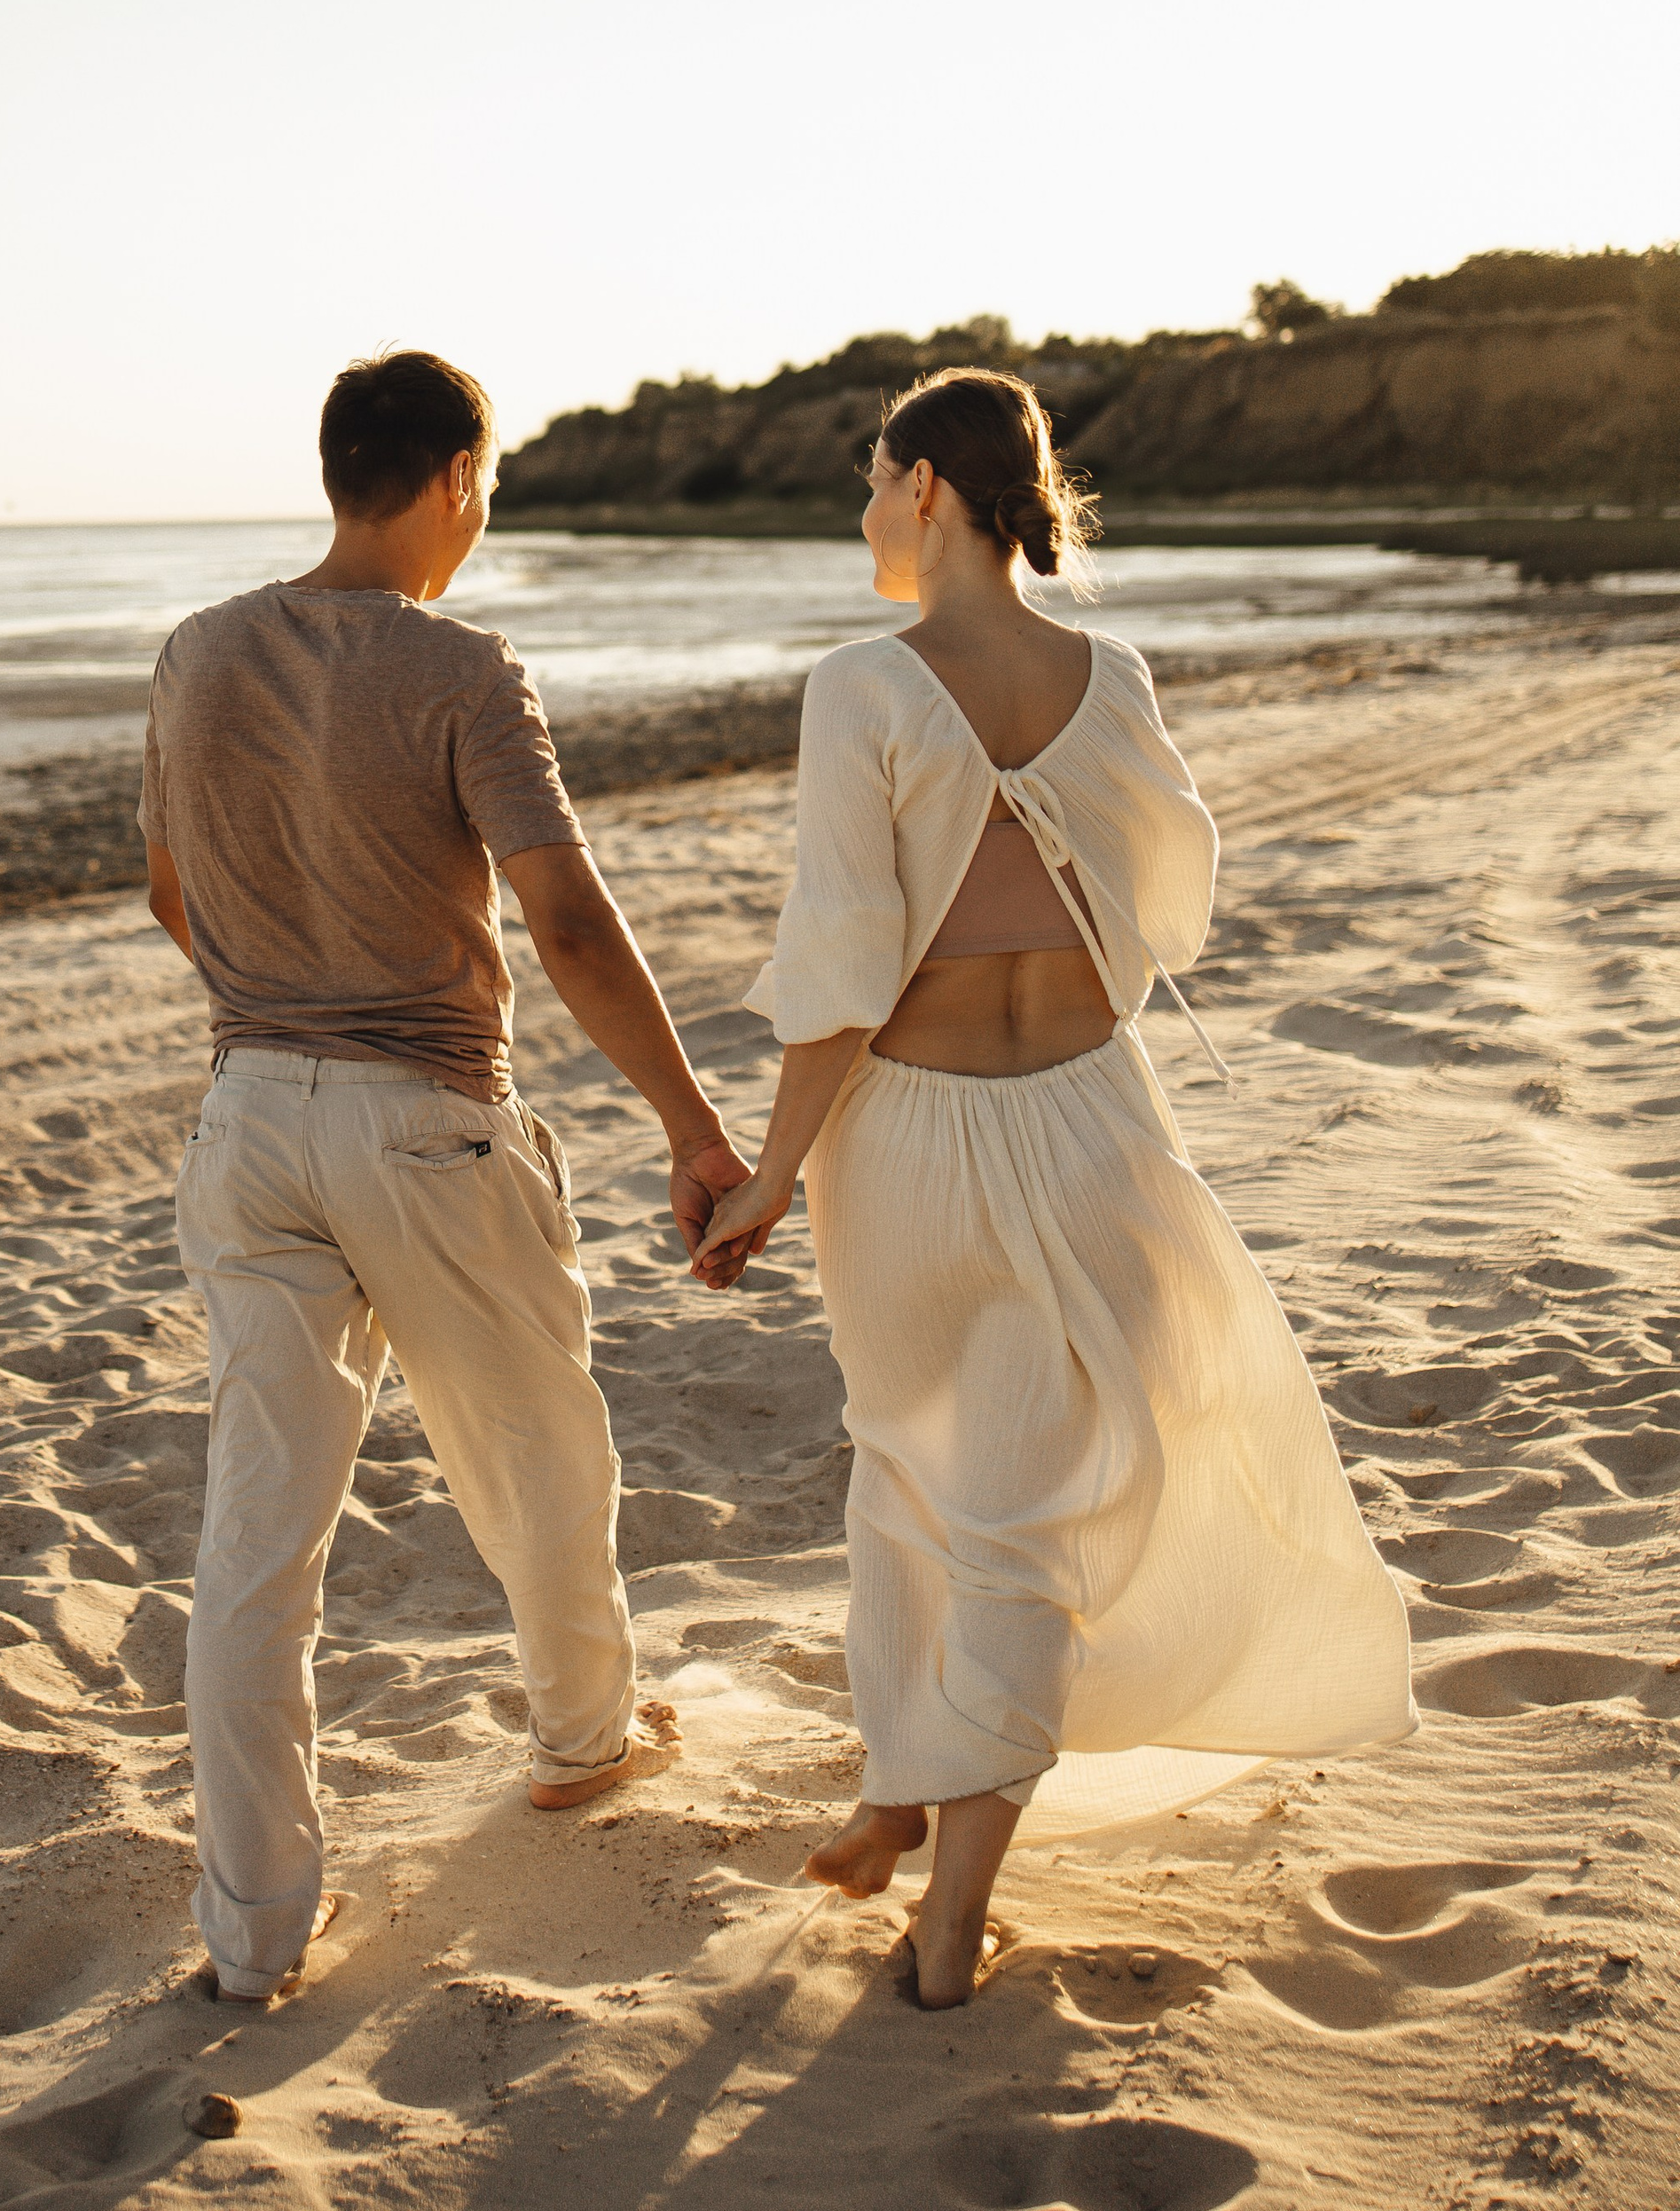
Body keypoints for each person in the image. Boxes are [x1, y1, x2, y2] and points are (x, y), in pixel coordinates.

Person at [694, 367, 1414, 2010]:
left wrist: (771, 1179)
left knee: (918, 1483)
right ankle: (927, 1834)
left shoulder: (862, 688)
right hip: (1097, 1122)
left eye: (875, 482)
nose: (865, 513)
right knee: (1028, 1515)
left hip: (913, 1143)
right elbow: (1164, 904)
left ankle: (930, 1861)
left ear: (932, 489)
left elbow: (842, 975)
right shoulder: (1113, 675)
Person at [142, 349, 747, 2004]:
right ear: (461, 479)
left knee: (261, 1534)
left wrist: (283, 984)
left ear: (337, 469)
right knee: (539, 1447)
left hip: (246, 1113)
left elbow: (170, 895)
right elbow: (563, 921)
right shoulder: (467, 668)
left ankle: (257, 1931)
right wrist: (694, 1126)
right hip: (422, 1111)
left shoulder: (196, 654)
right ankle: (580, 1740)